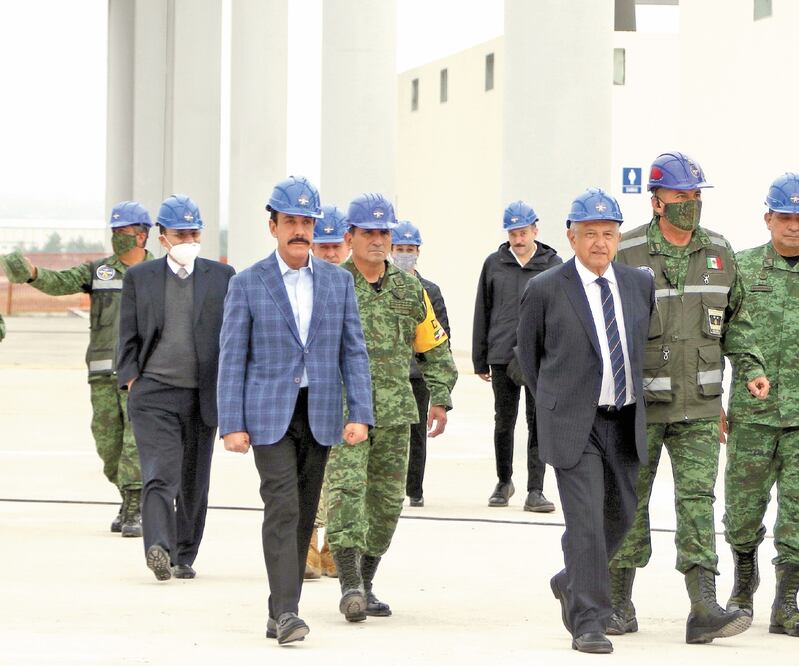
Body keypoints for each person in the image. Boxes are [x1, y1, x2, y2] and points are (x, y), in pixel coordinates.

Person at [608, 151, 769, 644]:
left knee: (698, 500)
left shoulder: (720, 254)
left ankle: (703, 607)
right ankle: (617, 600)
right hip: (638, 408)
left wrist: (752, 368)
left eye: (697, 196)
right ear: (657, 202)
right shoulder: (627, 253)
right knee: (629, 498)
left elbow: (737, 324)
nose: (690, 204)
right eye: (681, 196)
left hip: (699, 406)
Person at [218, 177, 373, 645]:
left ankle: (277, 611)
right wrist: (232, 423)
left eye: (306, 222)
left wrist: (360, 412)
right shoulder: (247, 283)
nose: (300, 230)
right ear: (274, 227)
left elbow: (354, 352)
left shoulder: (337, 282)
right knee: (282, 506)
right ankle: (287, 612)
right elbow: (232, 355)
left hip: (321, 410)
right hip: (267, 413)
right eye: (291, 222)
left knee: (305, 511)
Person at [517, 188, 653, 654]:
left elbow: (639, 350)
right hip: (576, 424)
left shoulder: (638, 284)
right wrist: (559, 403)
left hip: (625, 420)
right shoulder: (546, 288)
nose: (600, 242)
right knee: (587, 525)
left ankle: (570, 577)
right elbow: (529, 359)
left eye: (608, 233)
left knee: (623, 517)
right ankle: (589, 620)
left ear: (619, 238)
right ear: (571, 237)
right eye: (590, 233)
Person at [325, 193, 458, 622]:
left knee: (385, 503)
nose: (379, 241)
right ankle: (348, 584)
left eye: (385, 232)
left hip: (397, 411)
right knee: (346, 495)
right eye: (369, 232)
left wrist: (441, 395)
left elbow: (434, 346)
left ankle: (366, 581)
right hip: (345, 413)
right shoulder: (332, 285)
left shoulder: (408, 289)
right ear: (351, 237)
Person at [0, 202, 154, 536]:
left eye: (124, 232)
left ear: (142, 235)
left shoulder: (158, 273)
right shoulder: (99, 272)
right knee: (108, 445)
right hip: (102, 372)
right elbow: (60, 281)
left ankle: (135, 507)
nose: (118, 238)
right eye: (114, 232)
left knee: (134, 441)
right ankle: (128, 496)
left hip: (142, 374)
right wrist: (32, 273)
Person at [118, 194, 234, 581]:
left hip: (202, 395)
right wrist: (131, 379)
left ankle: (184, 554)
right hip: (154, 394)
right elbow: (128, 336)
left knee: (194, 481)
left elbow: (233, 336)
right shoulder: (140, 277)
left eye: (194, 232)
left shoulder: (222, 277)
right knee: (160, 472)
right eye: (180, 233)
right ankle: (158, 547)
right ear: (163, 236)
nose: (188, 239)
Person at [723, 173, 799, 637]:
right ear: (768, 218)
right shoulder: (743, 268)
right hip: (753, 417)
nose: (794, 226)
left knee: (797, 512)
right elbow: (719, 333)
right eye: (786, 217)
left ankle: (787, 600)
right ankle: (743, 580)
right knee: (744, 508)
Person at [473, 200, 561, 511]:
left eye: (523, 232)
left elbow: (563, 314)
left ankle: (535, 489)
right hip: (500, 355)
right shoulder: (494, 264)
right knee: (503, 422)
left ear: (535, 230)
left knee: (538, 423)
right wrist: (479, 358)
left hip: (540, 357)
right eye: (513, 234)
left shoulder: (553, 265)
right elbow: (483, 311)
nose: (518, 239)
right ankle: (503, 481)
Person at [304, 204, 351, 581]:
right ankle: (306, 544)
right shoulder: (303, 285)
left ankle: (335, 547)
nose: (331, 253)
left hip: (352, 402)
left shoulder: (357, 284)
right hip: (313, 398)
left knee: (344, 481)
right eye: (323, 247)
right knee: (311, 475)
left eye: (336, 246)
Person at [391, 220, 452, 507]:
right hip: (390, 374)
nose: (404, 254)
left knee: (417, 434)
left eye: (409, 249)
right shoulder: (380, 287)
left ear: (418, 251)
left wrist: (441, 387)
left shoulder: (430, 290)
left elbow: (442, 337)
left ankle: (414, 488)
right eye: (400, 249)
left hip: (417, 375)